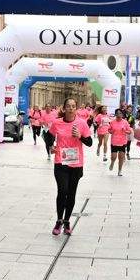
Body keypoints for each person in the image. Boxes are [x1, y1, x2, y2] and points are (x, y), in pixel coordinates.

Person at [48, 99, 91, 235]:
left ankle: (67, 221)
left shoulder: (82, 123)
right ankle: (59, 220)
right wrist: (51, 147)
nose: (71, 108)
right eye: (68, 106)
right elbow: (48, 137)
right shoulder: (57, 122)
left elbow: (89, 142)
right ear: (64, 108)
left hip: (76, 163)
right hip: (61, 161)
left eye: (73, 106)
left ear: (76, 109)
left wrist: (80, 136)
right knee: (62, 190)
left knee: (71, 193)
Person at [108, 108, 132, 176]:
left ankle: (119, 170)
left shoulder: (125, 122)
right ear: (115, 114)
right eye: (117, 113)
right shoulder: (112, 122)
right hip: (114, 141)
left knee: (121, 157)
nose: (119, 115)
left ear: (122, 114)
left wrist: (125, 131)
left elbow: (129, 131)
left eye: (120, 113)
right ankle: (112, 163)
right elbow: (109, 130)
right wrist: (111, 131)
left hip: (122, 142)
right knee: (113, 157)